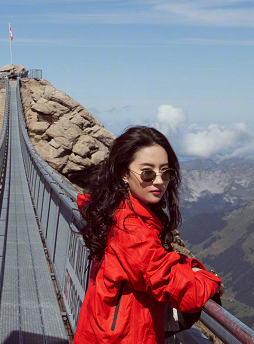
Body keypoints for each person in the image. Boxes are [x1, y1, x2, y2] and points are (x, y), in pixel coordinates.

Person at [74, 126, 222, 344]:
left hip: (108, 331)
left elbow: (150, 266)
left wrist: (188, 266)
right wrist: (210, 279)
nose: (160, 181)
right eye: (148, 172)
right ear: (124, 173)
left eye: (166, 171)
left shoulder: (118, 211)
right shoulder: (129, 227)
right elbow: (179, 288)